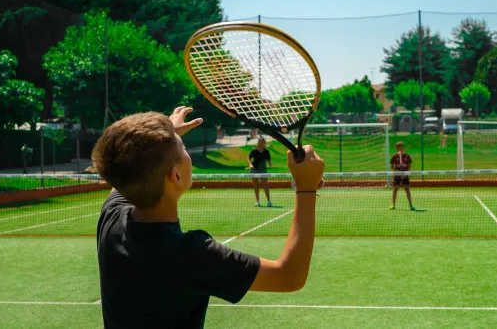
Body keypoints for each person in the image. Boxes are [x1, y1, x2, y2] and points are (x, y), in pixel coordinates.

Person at [92, 107, 325, 328]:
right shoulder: (190, 254)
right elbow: (289, 276)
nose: (185, 151)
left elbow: (123, 170)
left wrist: (166, 136)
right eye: (183, 148)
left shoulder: (111, 220)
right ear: (176, 175)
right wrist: (306, 189)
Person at [389, 141, 416, 211]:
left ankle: (410, 205)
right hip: (397, 175)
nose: (400, 149)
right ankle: (393, 204)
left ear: (403, 148)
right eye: (398, 147)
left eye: (401, 147)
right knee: (395, 189)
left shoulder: (407, 156)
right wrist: (397, 172)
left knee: (407, 189)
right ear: (396, 148)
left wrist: (405, 174)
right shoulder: (395, 156)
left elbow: (409, 166)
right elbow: (392, 166)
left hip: (405, 175)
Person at [248, 137, 273, 207]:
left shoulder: (266, 152)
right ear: (258, 143)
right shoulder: (254, 151)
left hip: (263, 169)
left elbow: (269, 159)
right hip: (254, 169)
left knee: (265, 185)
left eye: (262, 142)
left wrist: (270, 163)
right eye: (259, 142)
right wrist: (250, 164)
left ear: (264, 143)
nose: (260, 143)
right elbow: (248, 158)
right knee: (256, 185)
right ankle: (257, 201)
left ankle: (269, 201)